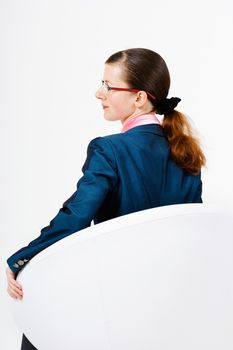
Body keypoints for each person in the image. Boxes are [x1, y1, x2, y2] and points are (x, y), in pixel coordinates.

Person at [6, 48, 206, 349]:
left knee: (38, 318)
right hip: (168, 302)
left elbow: (76, 215)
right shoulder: (186, 154)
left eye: (108, 87)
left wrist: (21, 259)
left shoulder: (109, 149)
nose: (99, 93)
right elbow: (192, 232)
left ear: (139, 98)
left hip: (115, 297)